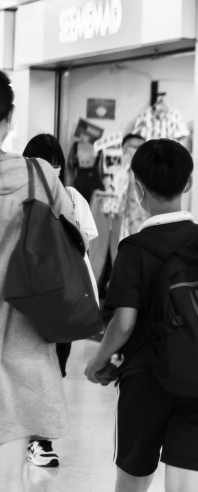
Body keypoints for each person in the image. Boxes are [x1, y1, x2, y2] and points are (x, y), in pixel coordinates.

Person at [84, 139, 198, 492]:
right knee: (186, 479)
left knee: (133, 473)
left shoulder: (134, 249)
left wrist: (97, 361)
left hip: (147, 379)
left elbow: (124, 322)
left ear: (138, 189)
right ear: (188, 184)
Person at [0, 71, 74, 491]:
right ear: (9, 118)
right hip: (24, 334)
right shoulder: (41, 175)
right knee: (11, 467)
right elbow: (74, 240)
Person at [21, 133, 100, 468]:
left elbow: (84, 244)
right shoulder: (17, 196)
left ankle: (38, 437)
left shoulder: (70, 197)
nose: (49, 178)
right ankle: (35, 437)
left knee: (54, 369)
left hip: (62, 298)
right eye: (43, 170)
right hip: (26, 297)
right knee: (29, 367)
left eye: (54, 170)